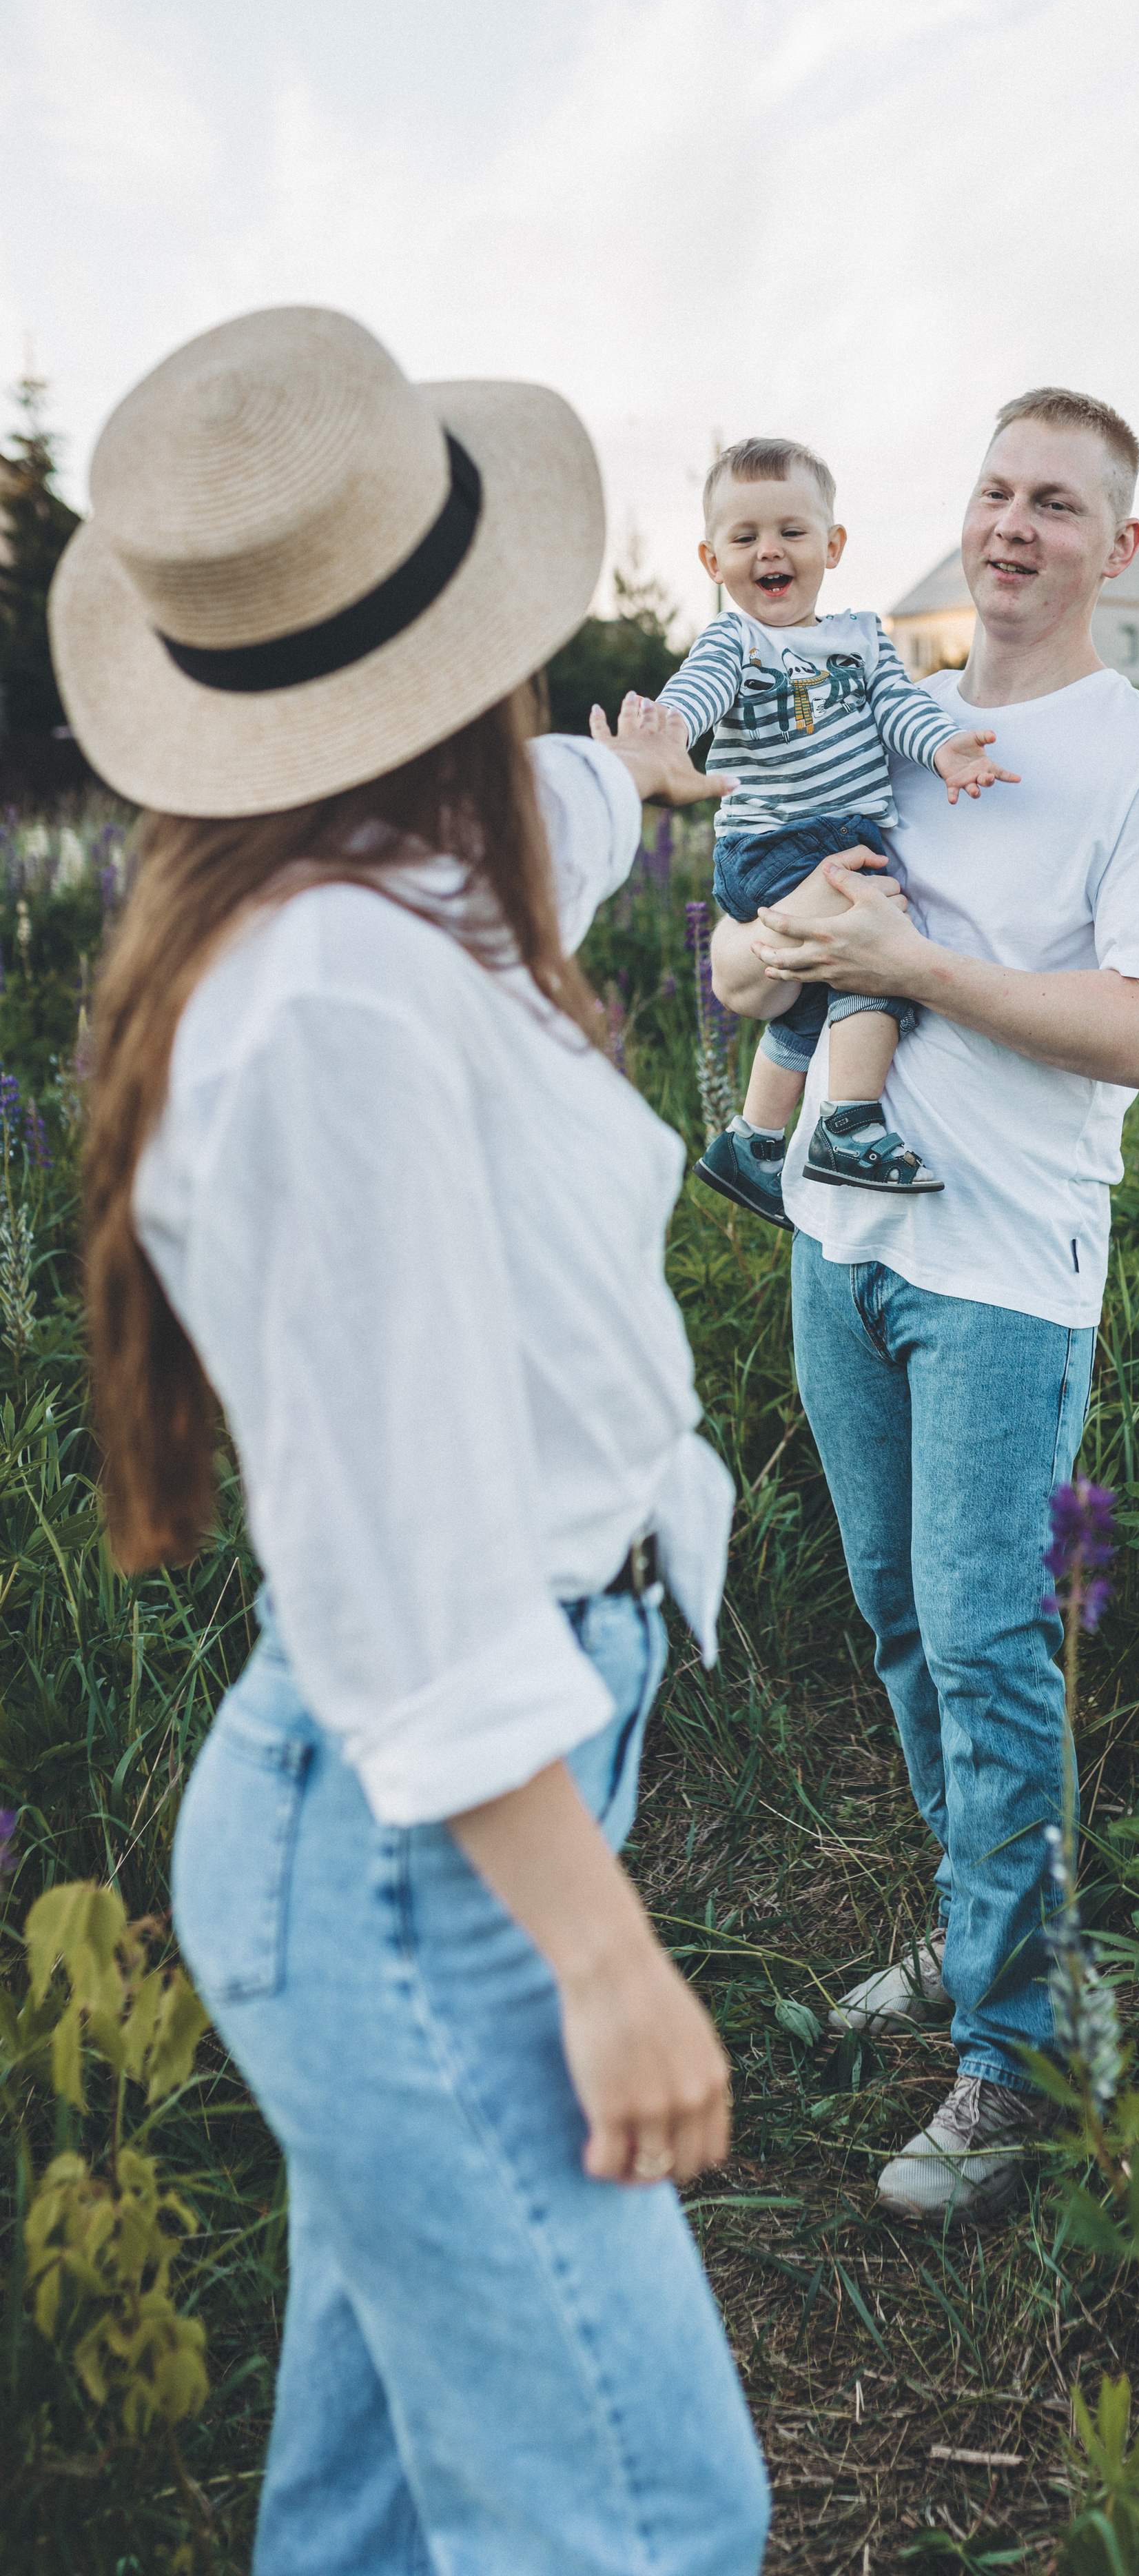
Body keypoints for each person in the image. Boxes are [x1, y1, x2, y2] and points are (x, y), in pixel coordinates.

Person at [54, 305, 770, 2575]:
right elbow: (395, 1575)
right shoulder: (325, 1011)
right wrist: (601, 1951)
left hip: (439, 1815)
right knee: (645, 2517)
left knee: (366, 2508)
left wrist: (641, 772)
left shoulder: (393, 880)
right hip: (419, 1857)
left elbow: (556, 822)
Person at [710, 387, 1139, 2224]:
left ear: (1122, 544)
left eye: (1060, 503)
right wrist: (771, 952)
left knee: (994, 1646)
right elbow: (745, 956)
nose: (1015, 526)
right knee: (902, 1628)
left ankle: (1019, 2058)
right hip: (836, 1245)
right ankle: (977, 1932)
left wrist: (916, 963)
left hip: (1005, 1270)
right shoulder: (895, 718)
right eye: (996, 491)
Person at [661, 435, 1016, 1226]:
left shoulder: (860, 639)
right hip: (773, 842)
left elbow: (899, 709)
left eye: (790, 531)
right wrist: (666, 736)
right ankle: (847, 1123)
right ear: (711, 561)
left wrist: (947, 748)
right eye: (743, 537)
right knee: (883, 947)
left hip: (833, 836)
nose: (768, 552)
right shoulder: (737, 640)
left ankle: (752, 1141)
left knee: (811, 998)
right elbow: (697, 692)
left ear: (833, 545)